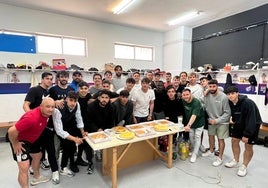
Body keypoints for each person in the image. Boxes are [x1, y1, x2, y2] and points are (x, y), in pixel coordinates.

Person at [8, 97, 55, 187]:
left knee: (38, 155)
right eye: (48, 106)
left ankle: (36, 177)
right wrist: (15, 143)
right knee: (24, 167)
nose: (50, 109)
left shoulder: (47, 114)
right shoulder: (32, 118)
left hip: (32, 139)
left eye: (52, 107)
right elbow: (11, 131)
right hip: (19, 140)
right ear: (41, 106)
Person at [224, 86, 262, 177]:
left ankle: (244, 166)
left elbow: (251, 119)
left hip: (252, 125)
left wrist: (247, 134)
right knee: (234, 140)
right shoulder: (230, 102)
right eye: (228, 94)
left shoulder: (248, 103)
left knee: (248, 145)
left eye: (232, 93)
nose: (230, 96)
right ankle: (235, 160)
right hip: (239, 123)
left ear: (237, 93)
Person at [23, 72, 53, 172]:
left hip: (44, 123)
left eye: (51, 79)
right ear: (42, 79)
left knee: (43, 143)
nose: (49, 80)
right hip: (35, 123)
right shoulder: (34, 90)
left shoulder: (48, 91)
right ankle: (32, 165)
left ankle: (42, 160)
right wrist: (31, 118)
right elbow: (26, 105)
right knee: (33, 144)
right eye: (47, 78)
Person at [52, 91, 85, 176]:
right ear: (66, 99)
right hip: (60, 128)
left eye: (75, 101)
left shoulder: (77, 105)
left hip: (70, 125)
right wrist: (74, 139)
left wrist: (82, 132)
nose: (73, 103)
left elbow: (79, 118)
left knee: (73, 147)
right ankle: (63, 167)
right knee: (66, 147)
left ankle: (72, 163)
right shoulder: (58, 109)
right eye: (71, 100)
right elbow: (59, 131)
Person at [202, 79, 231, 167]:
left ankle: (220, 158)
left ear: (217, 86)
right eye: (210, 86)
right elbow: (204, 105)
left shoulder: (223, 97)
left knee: (220, 139)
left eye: (214, 86)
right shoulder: (207, 95)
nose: (212, 88)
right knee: (210, 136)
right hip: (211, 120)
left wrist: (217, 120)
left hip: (222, 122)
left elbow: (227, 113)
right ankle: (211, 150)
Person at [87, 90, 115, 161]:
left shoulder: (111, 107)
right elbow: (89, 121)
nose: (104, 99)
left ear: (109, 99)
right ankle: (92, 154)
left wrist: (107, 130)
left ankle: (102, 152)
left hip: (104, 128)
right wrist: (97, 129)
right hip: (92, 128)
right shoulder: (91, 107)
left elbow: (111, 120)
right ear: (99, 98)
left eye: (106, 98)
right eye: (102, 97)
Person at [181, 88, 205, 163]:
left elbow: (194, 115)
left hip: (199, 123)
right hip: (190, 123)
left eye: (187, 94)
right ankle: (193, 148)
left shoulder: (196, 102)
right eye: (184, 95)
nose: (186, 96)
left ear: (191, 94)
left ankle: (195, 154)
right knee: (191, 137)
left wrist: (188, 125)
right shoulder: (183, 101)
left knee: (197, 137)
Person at [77, 81, 94, 174]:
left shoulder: (89, 97)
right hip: (77, 124)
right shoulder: (75, 98)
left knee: (86, 144)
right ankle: (77, 159)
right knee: (79, 142)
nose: (83, 90)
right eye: (81, 88)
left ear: (88, 89)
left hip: (87, 123)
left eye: (85, 88)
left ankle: (88, 161)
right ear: (78, 88)